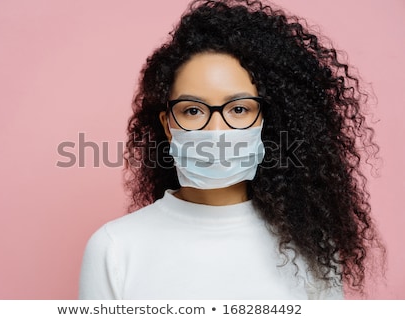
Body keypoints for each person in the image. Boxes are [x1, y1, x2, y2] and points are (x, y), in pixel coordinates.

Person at [79, 0, 384, 299]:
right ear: (168, 125)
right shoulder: (114, 248)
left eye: (238, 109)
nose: (216, 133)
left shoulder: (312, 248)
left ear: (267, 121)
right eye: (192, 111)